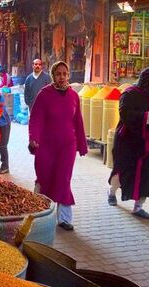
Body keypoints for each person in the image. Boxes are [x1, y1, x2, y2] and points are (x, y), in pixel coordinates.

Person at [28, 61, 88, 231]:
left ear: (68, 76)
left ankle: (64, 218)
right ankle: (38, 213)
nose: (62, 77)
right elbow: (36, 120)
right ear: (53, 75)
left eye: (64, 74)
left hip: (67, 145)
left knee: (63, 178)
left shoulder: (73, 96)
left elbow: (78, 122)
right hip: (46, 145)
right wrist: (34, 139)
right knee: (45, 177)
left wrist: (82, 145)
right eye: (58, 74)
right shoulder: (44, 94)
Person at [107, 67, 149, 220]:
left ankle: (138, 207)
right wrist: (147, 117)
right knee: (123, 170)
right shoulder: (129, 93)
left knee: (144, 174)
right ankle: (111, 192)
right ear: (147, 80)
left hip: (144, 143)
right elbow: (124, 114)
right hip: (127, 141)